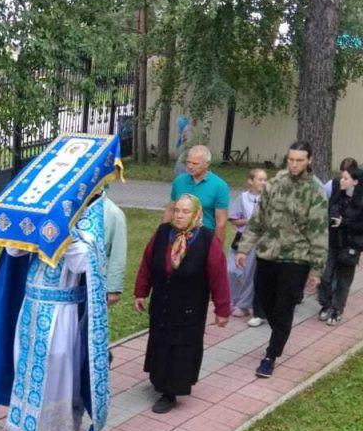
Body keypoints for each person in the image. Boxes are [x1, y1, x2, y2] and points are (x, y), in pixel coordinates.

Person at [0, 191, 126, 431]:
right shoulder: (43, 212)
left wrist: (60, 234)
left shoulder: (88, 220)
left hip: (62, 313)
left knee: (58, 369)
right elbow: (14, 250)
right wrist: (25, 224)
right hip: (31, 308)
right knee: (27, 368)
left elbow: (84, 263)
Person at [236, 140, 327, 378]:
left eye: (299, 160)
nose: (294, 164)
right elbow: (258, 218)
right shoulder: (274, 184)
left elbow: (319, 232)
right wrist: (244, 248)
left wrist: (316, 269)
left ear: (309, 161)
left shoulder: (315, 191)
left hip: (296, 259)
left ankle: (271, 355)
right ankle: (279, 330)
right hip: (268, 254)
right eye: (291, 159)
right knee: (265, 300)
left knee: (284, 307)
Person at [134, 194, 230, 414]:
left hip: (189, 307)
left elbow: (219, 277)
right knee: (160, 341)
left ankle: (171, 392)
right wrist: (141, 292)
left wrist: (222, 309)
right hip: (162, 302)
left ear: (196, 214)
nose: (179, 215)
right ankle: (159, 380)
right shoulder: (163, 233)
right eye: (176, 210)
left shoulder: (207, 240)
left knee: (180, 348)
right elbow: (147, 263)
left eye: (185, 211)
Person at [317, 164, 363, 325]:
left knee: (343, 280)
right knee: (324, 275)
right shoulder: (337, 195)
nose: (341, 180)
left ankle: (336, 310)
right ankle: (326, 304)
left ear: (355, 182)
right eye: (341, 177)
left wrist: (344, 223)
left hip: (350, 246)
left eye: (345, 178)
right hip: (332, 242)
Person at [163, 145, 230, 243]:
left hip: (204, 238)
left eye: (195, 163)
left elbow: (221, 222)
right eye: (188, 162)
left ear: (207, 164)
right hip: (179, 236)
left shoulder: (220, 186)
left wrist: (217, 247)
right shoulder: (179, 181)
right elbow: (170, 209)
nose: (190, 166)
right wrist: (162, 234)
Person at [227, 167, 268, 325]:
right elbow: (234, 219)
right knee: (231, 269)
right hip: (241, 238)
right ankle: (235, 299)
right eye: (260, 179)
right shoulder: (242, 198)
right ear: (251, 181)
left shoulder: (268, 198)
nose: (263, 182)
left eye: (265, 180)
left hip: (258, 241)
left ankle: (243, 304)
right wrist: (250, 220)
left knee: (250, 272)